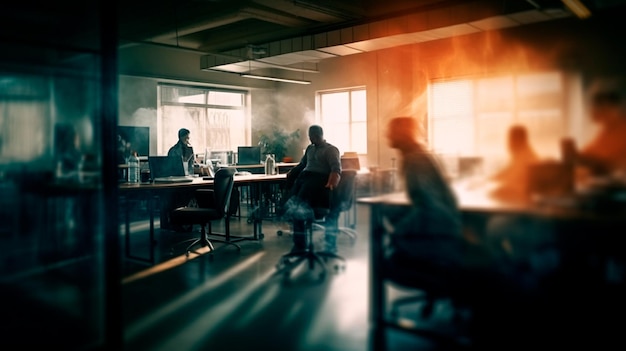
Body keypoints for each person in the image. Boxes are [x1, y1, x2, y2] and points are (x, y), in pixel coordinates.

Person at [382, 116, 464, 268]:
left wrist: (398, 232)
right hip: (446, 230)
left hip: (438, 238)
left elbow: (431, 209)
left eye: (390, 131)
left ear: (401, 134)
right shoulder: (421, 155)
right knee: (388, 210)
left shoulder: (415, 160)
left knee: (390, 258)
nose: (386, 135)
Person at [282, 125, 342, 252]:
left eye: (313, 136)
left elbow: (336, 168)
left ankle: (328, 245)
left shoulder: (331, 150)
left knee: (299, 208)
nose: (311, 139)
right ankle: (300, 245)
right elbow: (302, 165)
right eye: (310, 136)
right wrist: (291, 173)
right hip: (305, 180)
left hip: (318, 184)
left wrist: (333, 179)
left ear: (319, 135)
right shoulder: (310, 148)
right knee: (293, 208)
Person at [575, 76, 626, 176]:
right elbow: (591, 151)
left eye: (597, 105)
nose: (592, 110)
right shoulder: (607, 130)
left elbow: (609, 162)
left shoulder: (621, 128)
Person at [488, 124, 540, 203]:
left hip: (522, 203)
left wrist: (494, 192)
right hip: (521, 199)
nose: (508, 143)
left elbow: (513, 180)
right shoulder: (521, 153)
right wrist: (491, 178)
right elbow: (509, 170)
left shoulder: (526, 157)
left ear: (517, 140)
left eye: (510, 139)